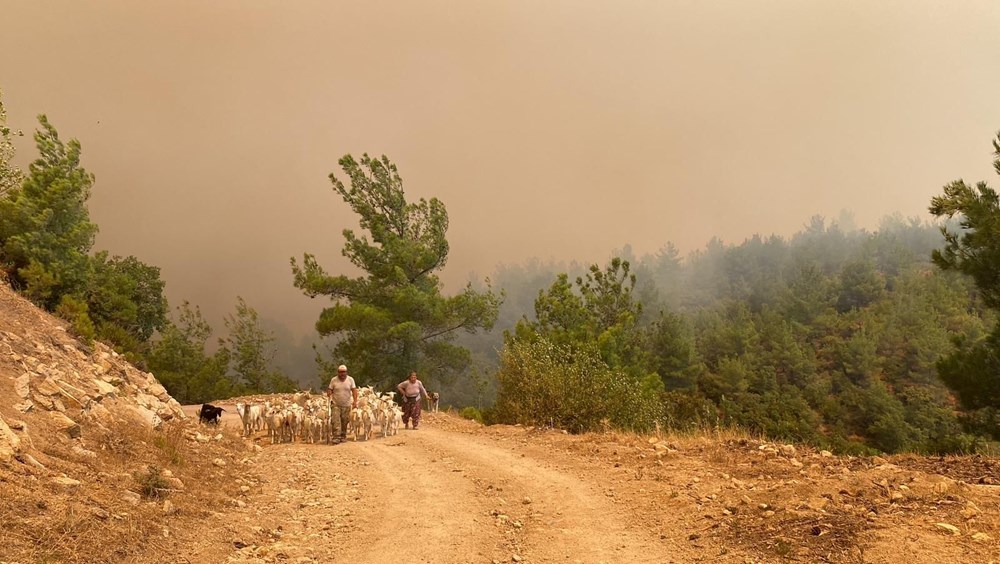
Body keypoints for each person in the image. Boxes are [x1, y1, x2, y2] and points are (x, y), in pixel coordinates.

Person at [326, 364, 358, 443]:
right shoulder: (334, 380)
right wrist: (329, 392)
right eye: (341, 372)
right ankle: (336, 437)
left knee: (345, 421)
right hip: (336, 403)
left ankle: (343, 436)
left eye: (344, 372)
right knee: (335, 420)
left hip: (346, 404)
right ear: (338, 372)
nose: (342, 374)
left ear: (346, 372)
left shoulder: (350, 380)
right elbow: (330, 389)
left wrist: (355, 401)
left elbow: (354, 390)